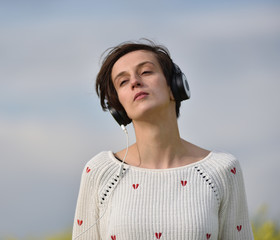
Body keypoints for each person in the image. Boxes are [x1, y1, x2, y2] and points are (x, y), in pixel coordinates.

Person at [72, 40, 253, 239]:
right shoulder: (100, 171)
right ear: (119, 107)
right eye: (123, 81)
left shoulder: (222, 170)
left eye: (146, 72)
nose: (135, 82)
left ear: (174, 86)